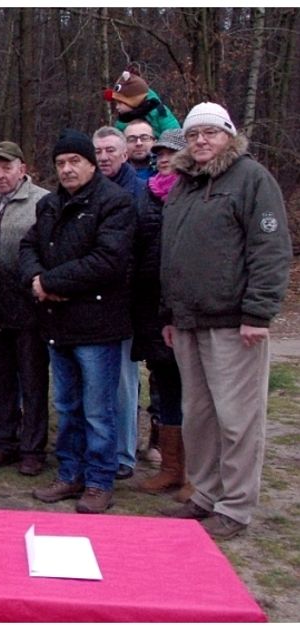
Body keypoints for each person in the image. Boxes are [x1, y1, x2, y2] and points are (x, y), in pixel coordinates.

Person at [159, 103, 291, 540]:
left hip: (235, 324)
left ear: (228, 136)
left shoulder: (251, 180)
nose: (200, 140)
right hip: (188, 321)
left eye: (210, 133)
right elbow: (172, 254)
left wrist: (258, 312)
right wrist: (170, 312)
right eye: (194, 134)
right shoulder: (184, 186)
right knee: (198, 415)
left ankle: (235, 506)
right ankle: (205, 494)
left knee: (237, 418)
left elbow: (270, 249)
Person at [21, 129, 136, 514]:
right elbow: (29, 247)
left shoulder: (115, 203)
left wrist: (50, 282)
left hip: (98, 324)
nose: (67, 169)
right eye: (61, 163)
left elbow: (108, 260)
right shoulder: (49, 205)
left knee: (98, 409)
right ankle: (69, 473)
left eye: (75, 161)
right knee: (67, 405)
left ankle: (100, 480)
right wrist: (35, 280)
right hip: (57, 324)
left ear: (91, 164)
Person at [0, 141, 51, 476]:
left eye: (6, 168)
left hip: (30, 307)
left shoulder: (42, 201)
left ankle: (33, 449)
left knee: (32, 383)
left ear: (22, 168)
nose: (0, 175)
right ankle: (4, 442)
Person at [130, 129, 188, 495]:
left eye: (171, 153)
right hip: (151, 304)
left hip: (187, 304)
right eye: (161, 152)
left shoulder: (196, 192)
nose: (164, 158)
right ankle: (171, 466)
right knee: (164, 382)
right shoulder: (147, 194)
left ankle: (198, 471)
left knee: (193, 389)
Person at [93, 125, 144, 482]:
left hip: (125, 300)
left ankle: (124, 454)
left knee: (124, 384)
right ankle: (98, 449)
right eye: (98, 152)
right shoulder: (90, 190)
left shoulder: (137, 192)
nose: (104, 157)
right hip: (91, 302)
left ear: (124, 153)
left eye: (111, 150)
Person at [103, 70, 180, 138]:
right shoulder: (122, 121)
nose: (117, 107)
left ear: (133, 101)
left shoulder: (160, 113)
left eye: (120, 103)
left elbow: (175, 136)